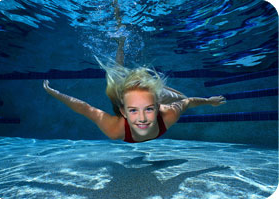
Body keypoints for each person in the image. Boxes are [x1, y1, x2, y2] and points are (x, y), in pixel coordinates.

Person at [43, 1, 226, 143]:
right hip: (128, 97)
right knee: (116, 75)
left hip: (153, 98)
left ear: (158, 107)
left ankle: (123, 45)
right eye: (132, 111)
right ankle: (121, 43)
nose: (142, 119)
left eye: (148, 109)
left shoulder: (168, 114)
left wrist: (209, 102)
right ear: (123, 112)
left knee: (177, 95)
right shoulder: (115, 129)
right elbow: (85, 109)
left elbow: (188, 101)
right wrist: (55, 93)